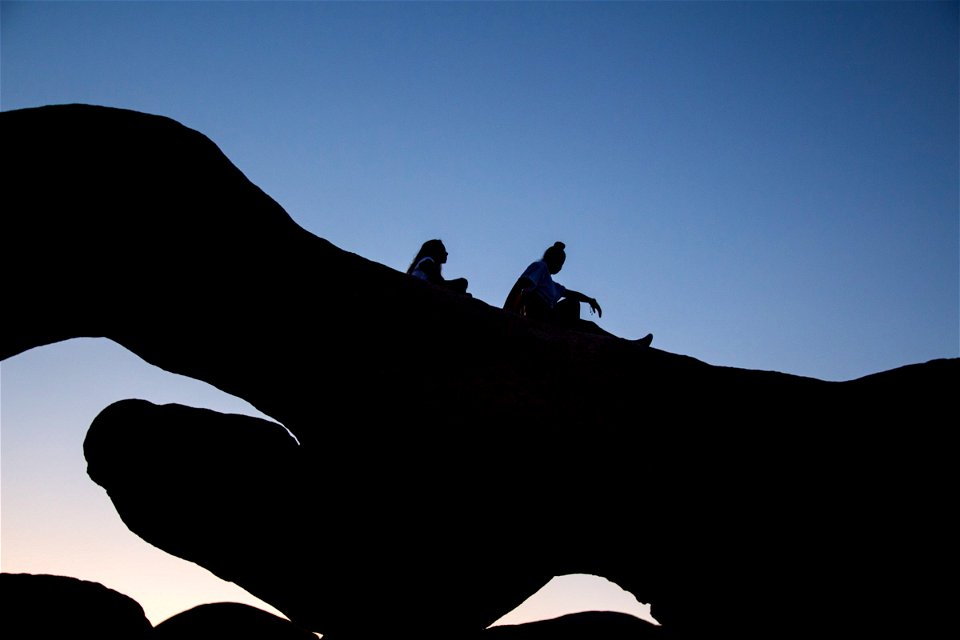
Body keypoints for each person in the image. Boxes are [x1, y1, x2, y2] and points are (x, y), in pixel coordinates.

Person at [504, 241, 653, 346]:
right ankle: (568, 337)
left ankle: (625, 344)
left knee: (587, 324)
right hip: (539, 315)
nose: (561, 268)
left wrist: (589, 299)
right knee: (577, 311)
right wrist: (507, 312)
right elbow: (521, 285)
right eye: (560, 264)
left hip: (549, 316)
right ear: (556, 262)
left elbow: (569, 293)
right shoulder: (540, 267)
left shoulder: (551, 284)